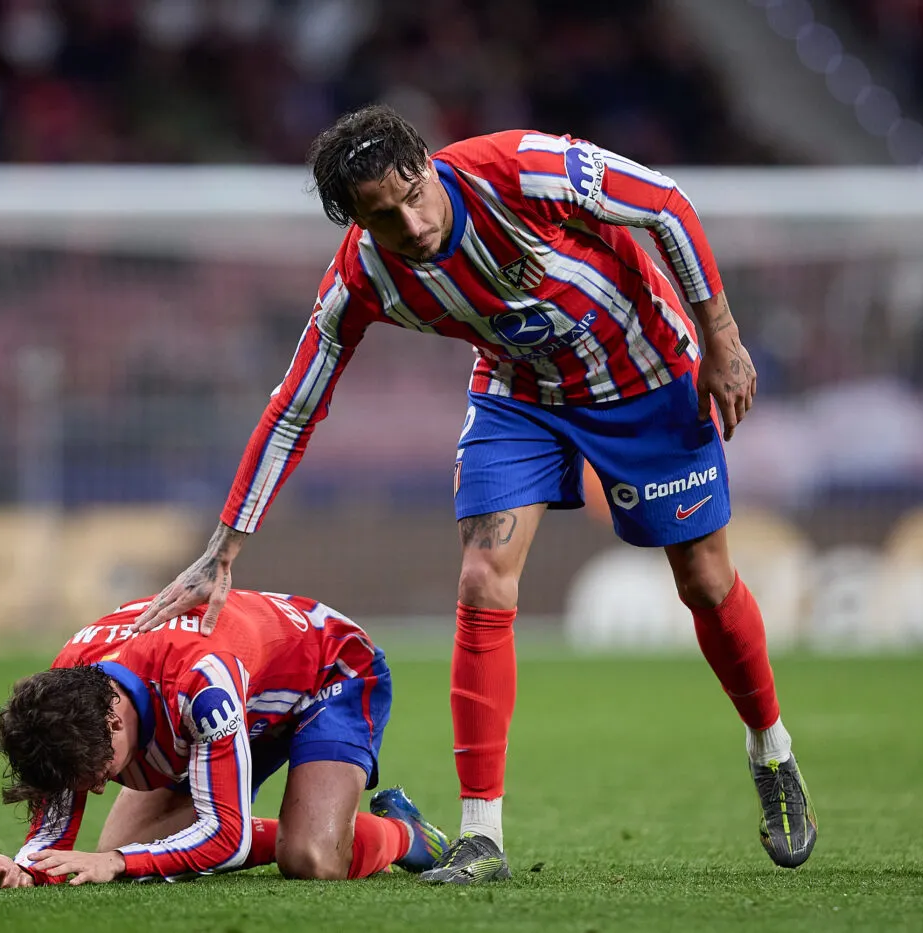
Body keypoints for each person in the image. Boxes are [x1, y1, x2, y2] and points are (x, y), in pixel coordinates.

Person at [133, 105, 817, 882]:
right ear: (353, 224)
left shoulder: (521, 169)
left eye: (413, 193)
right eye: (382, 218)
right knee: (482, 578)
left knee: (704, 580)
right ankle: (481, 833)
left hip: (645, 373)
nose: (412, 223)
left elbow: (664, 201)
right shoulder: (362, 278)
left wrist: (721, 335)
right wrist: (224, 550)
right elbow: (294, 403)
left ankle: (771, 746)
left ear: (428, 161)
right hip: (518, 395)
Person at [0, 589, 447, 887]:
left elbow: (226, 838)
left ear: (115, 720)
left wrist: (120, 862)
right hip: (243, 689)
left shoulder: (200, 686)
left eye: (101, 772)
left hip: (328, 671)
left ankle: (405, 835)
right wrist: (26, 866)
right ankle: (291, 824)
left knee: (311, 858)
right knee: (120, 848)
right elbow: (57, 832)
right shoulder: (68, 691)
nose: (98, 789)